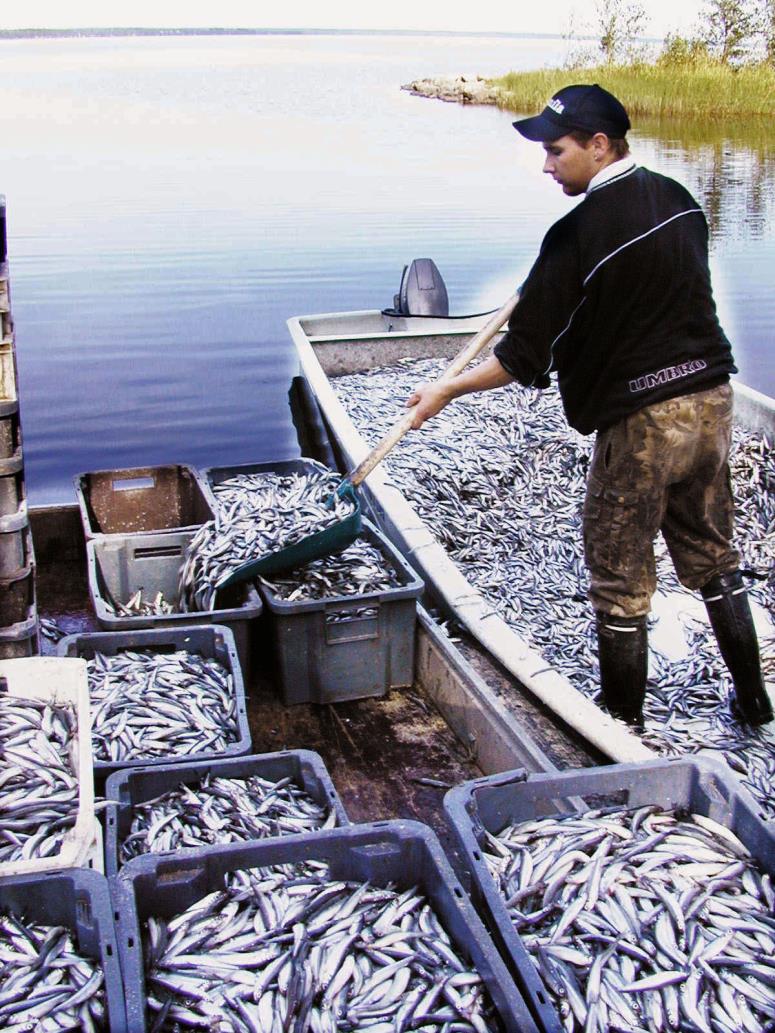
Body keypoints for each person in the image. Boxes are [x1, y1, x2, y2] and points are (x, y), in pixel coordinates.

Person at [406, 83, 773, 730]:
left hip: (643, 426)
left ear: (599, 145)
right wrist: (558, 291)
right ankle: (754, 703)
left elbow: (521, 358)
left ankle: (620, 726)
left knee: (619, 576)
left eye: (556, 151)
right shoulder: (681, 201)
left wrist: (444, 390)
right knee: (713, 554)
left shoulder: (574, 236)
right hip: (712, 404)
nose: (546, 166)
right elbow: (657, 299)